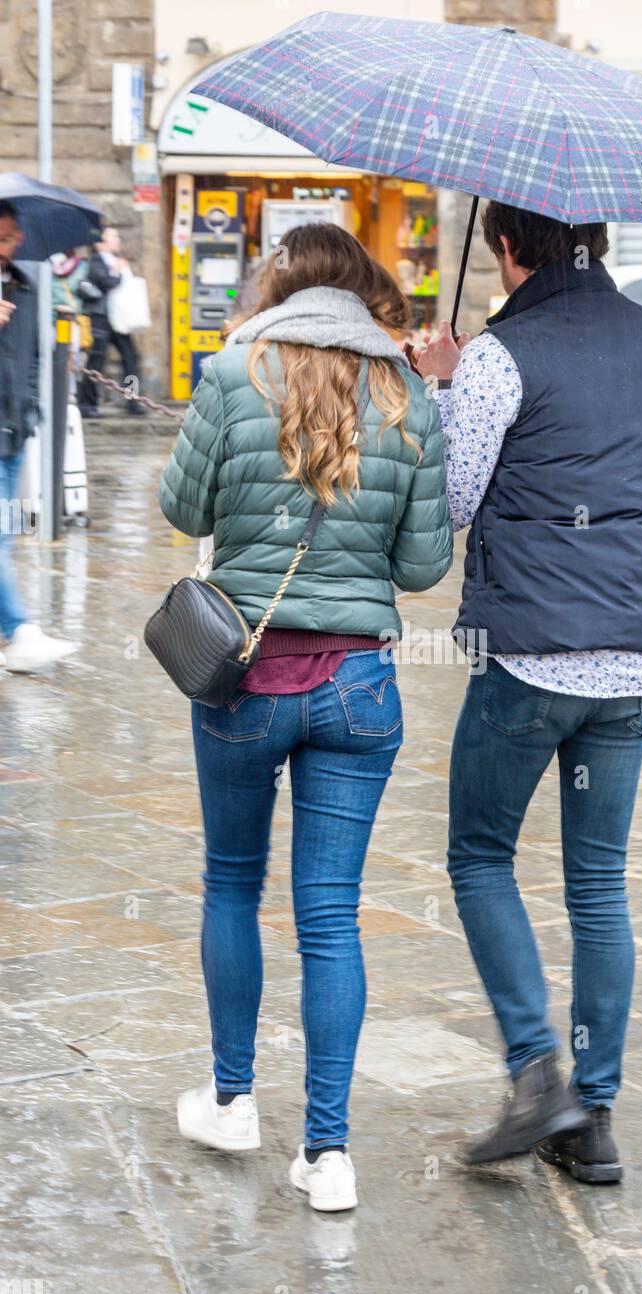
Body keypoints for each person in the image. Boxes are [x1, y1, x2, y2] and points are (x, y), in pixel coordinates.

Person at [158, 223, 452, 1213]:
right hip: (359, 689)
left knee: (231, 885)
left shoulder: (234, 368)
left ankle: (234, 1098)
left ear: (277, 285)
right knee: (330, 915)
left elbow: (182, 508)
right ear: (366, 290)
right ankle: (328, 1154)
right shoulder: (407, 392)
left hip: (245, 678)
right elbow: (420, 567)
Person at [413, 201, 642, 1179]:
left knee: (479, 853)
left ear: (504, 249)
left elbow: (451, 498)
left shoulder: (502, 354)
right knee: (597, 883)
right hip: (637, 662)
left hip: (530, 657)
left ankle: (536, 1073)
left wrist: (443, 388)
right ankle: (593, 1117)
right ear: (600, 241)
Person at [0, 200, 77, 673]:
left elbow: (31, 357)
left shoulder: (23, 287)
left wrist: (28, 408)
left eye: (11, 237)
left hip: (11, 429)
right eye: (2, 238)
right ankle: (20, 629)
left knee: (7, 531)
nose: (11, 246)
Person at [78, 227, 144, 417]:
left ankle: (133, 401)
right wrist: (117, 271)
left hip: (118, 318)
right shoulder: (96, 261)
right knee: (96, 361)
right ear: (100, 242)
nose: (117, 240)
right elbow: (107, 283)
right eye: (112, 236)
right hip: (100, 317)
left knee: (131, 357)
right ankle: (87, 405)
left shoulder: (114, 261)